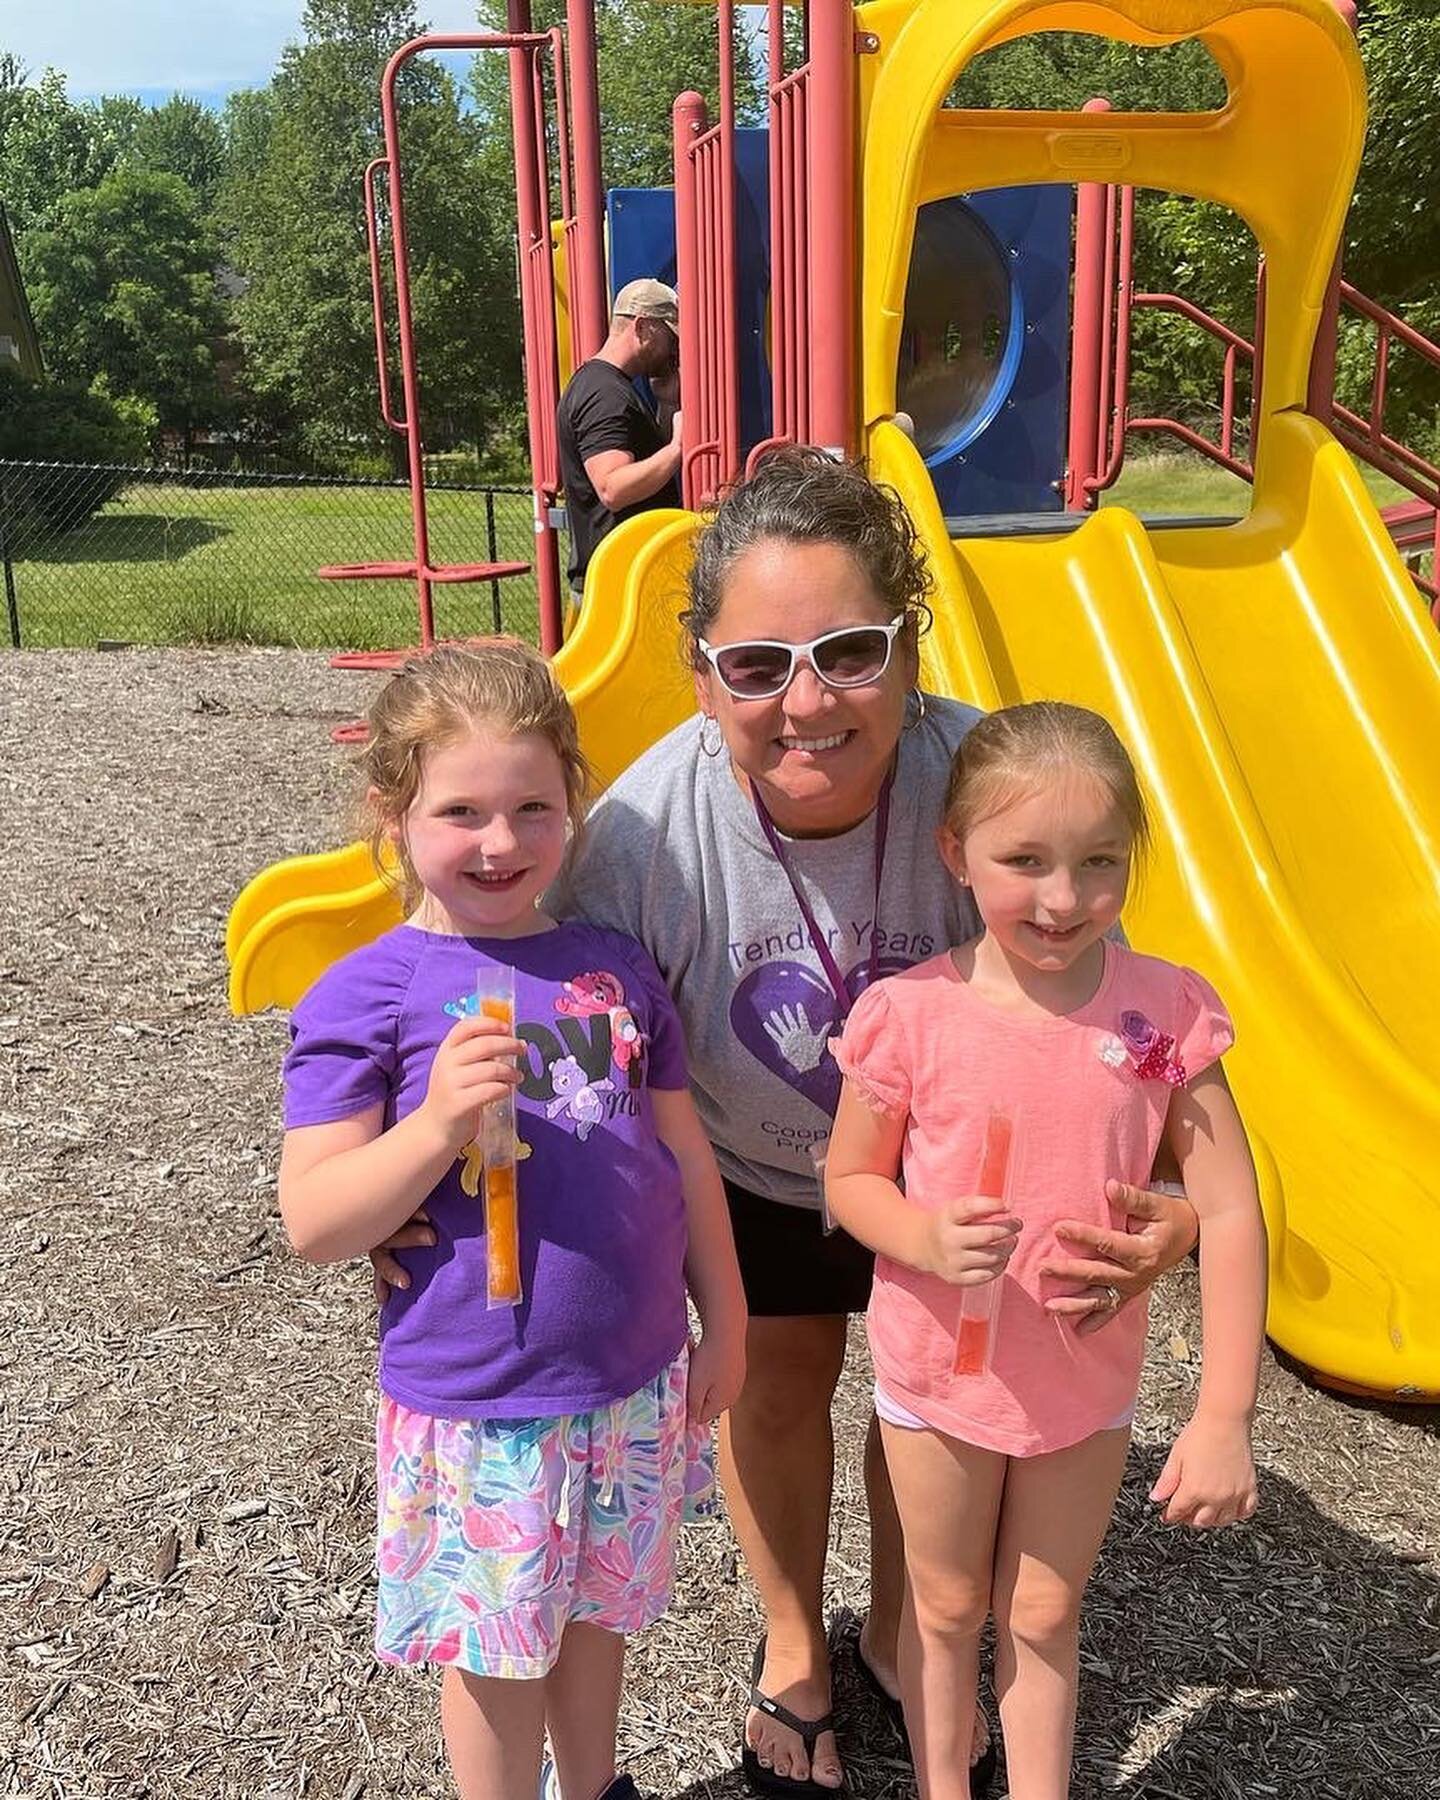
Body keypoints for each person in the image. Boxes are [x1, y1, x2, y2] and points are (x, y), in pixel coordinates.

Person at [373, 450, 1203, 1798]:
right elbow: (513, 977)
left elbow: (1099, 999)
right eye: (758, 665)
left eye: (851, 653)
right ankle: (791, 1647)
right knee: (777, 1378)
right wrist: (416, 1168)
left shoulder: (984, 786)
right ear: (704, 673)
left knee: (930, 1401)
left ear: (911, 646)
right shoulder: (644, 835)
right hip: (746, 1160)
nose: (806, 703)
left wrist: (1171, 1201)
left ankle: (902, 1628)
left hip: (945, 1178)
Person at [278, 641, 746, 1800]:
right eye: (461, 811)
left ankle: (593, 1789)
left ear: (573, 803)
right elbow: (317, 1221)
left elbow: (683, 1153)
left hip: (632, 1380)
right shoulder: (368, 993)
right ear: (393, 814)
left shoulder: (616, 969)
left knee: (595, 1629)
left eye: (534, 807)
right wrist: (436, 1124)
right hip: (485, 1404)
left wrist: (724, 1321)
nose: (501, 843)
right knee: (495, 1657)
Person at [826, 701, 1268, 1800]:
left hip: (1082, 1374)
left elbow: (1232, 1206)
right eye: (1024, 860)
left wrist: (1223, 1415)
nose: (1064, 899)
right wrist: (922, 1232)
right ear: (956, 854)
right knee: (942, 1605)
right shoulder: (909, 1016)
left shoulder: (1164, 1016)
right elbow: (846, 1183)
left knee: (1044, 1609)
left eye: (1099, 863)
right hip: (937, 1372)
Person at [556, 277, 684, 608]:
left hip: (621, 577)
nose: (672, 349)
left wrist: (667, 404)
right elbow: (614, 488)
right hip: (616, 588)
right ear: (642, 326)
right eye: (669, 337)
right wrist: (677, 451)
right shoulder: (604, 394)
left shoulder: (606, 385)